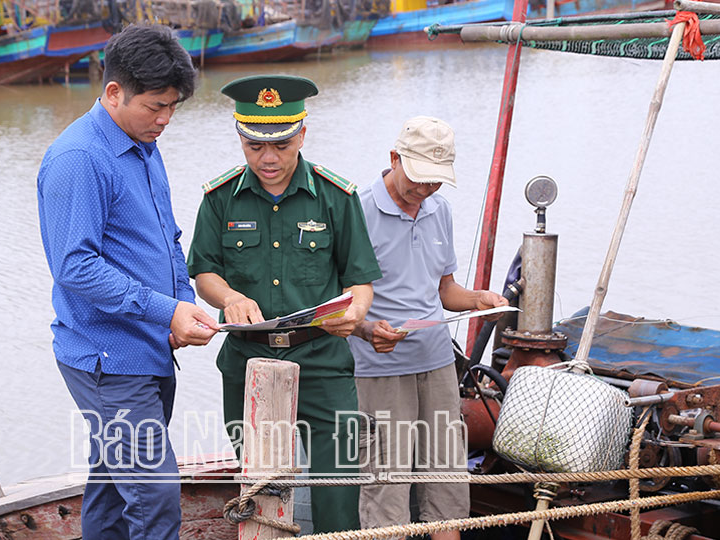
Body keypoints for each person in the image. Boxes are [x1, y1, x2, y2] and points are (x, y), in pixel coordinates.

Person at [36, 25, 219, 540]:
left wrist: (182, 305)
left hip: (152, 347)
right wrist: (165, 310)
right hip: (108, 359)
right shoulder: (79, 159)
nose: (165, 119)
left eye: (173, 107)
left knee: (114, 489)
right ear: (114, 92)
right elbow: (74, 267)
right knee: (156, 496)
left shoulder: (142, 142)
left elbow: (166, 237)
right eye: (155, 106)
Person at [186, 75, 383, 533]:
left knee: (339, 487)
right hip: (248, 360)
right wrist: (230, 298)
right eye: (254, 147)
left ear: (302, 133)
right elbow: (203, 272)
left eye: (281, 144)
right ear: (240, 137)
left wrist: (355, 313)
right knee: (260, 489)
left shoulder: (336, 198)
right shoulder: (219, 199)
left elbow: (360, 281)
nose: (268, 158)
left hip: (322, 359)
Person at [350, 117, 508, 539]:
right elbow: (338, 302)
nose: (423, 191)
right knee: (387, 486)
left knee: (448, 480)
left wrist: (480, 301)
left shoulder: (441, 210)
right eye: (417, 180)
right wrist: (366, 328)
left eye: (435, 182)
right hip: (380, 369)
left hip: (437, 362)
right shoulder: (356, 208)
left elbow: (445, 289)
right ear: (394, 158)